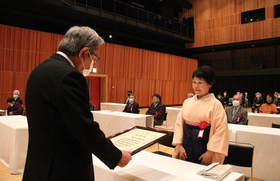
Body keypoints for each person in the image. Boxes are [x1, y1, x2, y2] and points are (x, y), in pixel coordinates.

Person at [23, 26, 131, 181]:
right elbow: (84, 127)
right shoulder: (69, 76)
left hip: (39, 165)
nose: (92, 63)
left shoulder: (40, 69)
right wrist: (116, 156)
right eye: (94, 58)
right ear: (83, 53)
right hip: (63, 169)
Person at [172, 66, 228, 166]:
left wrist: (210, 152)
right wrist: (179, 144)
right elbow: (179, 124)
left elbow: (220, 129)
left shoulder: (215, 104)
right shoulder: (187, 102)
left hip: (205, 143)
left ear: (209, 84)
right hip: (186, 142)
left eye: (200, 82)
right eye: (194, 82)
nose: (196, 86)